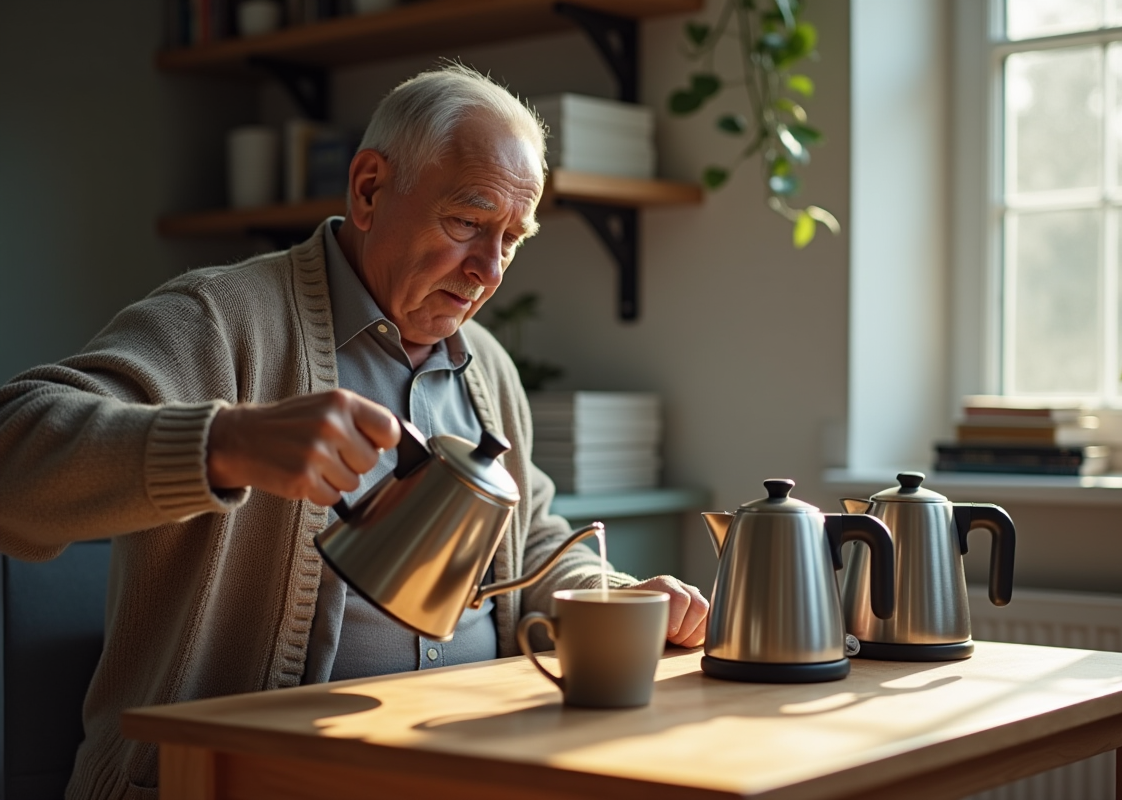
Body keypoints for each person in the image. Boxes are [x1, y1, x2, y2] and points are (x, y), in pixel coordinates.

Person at [0, 63, 709, 799]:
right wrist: (227, 444)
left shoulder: (486, 365)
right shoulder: (223, 321)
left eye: (512, 238)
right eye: (467, 222)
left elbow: (527, 539)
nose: (488, 271)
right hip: (231, 780)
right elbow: (12, 449)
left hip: (459, 763)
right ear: (369, 189)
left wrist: (610, 597)